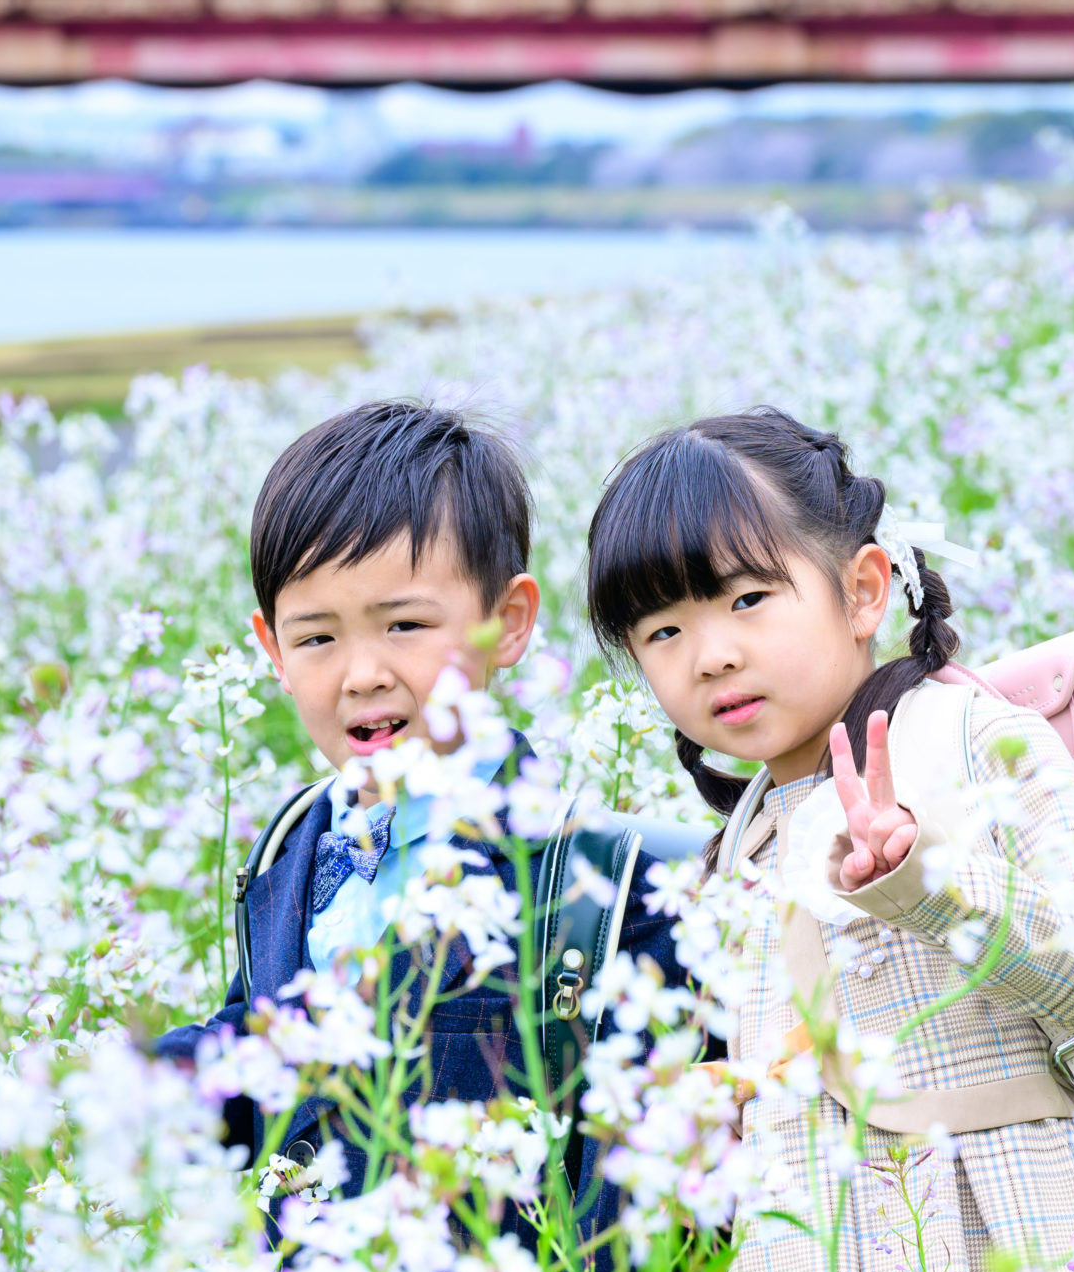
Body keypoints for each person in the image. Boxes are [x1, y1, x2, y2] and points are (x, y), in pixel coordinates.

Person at [584, 407, 1074, 1272]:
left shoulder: (971, 734)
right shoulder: (742, 838)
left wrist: (928, 882)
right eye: (663, 631)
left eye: (746, 599)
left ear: (862, 590)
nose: (710, 655)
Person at [158, 399, 684, 1223]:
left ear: (506, 624)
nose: (363, 673)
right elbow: (264, 1049)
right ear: (273, 652)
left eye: (404, 624)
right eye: (317, 638)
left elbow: (618, 1206)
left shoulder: (585, 882)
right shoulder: (292, 847)